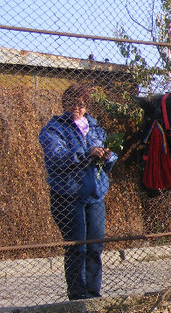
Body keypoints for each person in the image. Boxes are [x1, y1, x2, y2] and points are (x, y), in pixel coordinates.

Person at [39, 84, 118, 300]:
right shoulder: (54, 129)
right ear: (64, 104)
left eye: (81, 104)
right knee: (77, 247)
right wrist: (86, 153)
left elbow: (110, 157)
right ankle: (77, 294)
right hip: (67, 197)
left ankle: (93, 293)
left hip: (95, 195)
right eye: (72, 103)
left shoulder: (94, 127)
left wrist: (107, 156)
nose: (77, 108)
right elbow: (56, 157)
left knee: (95, 245)